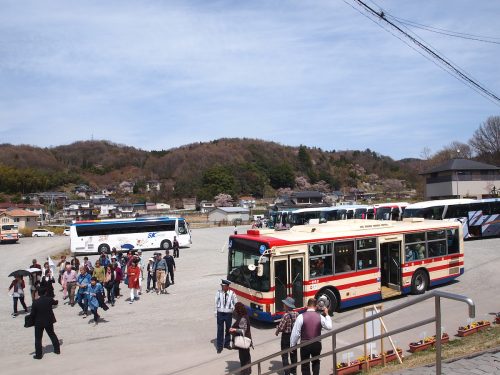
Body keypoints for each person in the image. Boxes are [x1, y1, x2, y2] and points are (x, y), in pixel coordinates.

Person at [290, 298, 332, 375]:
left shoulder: (301, 317)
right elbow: (329, 327)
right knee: (316, 362)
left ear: (307, 306)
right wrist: (327, 314)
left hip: (304, 344)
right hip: (317, 343)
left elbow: (295, 333)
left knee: (305, 365)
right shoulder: (320, 317)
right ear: (316, 306)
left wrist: (292, 345)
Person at [30, 286, 60, 359]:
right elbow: (55, 302)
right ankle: (57, 350)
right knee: (52, 335)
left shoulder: (35, 302)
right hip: (48, 321)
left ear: (38, 293)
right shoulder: (49, 299)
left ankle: (38, 355)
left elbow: (32, 314)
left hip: (38, 322)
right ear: (45, 292)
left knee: (38, 339)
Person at [275, 297, 298, 375]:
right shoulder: (297, 314)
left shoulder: (285, 315)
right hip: (294, 337)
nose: (283, 305)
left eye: (284, 304)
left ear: (287, 306)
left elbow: (281, 327)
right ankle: (294, 371)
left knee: (285, 355)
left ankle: (287, 373)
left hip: (286, 337)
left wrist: (277, 330)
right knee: (293, 354)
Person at [229, 302, 252, 375]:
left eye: (236, 309)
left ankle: (245, 372)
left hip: (243, 341)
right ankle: (247, 371)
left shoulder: (242, 319)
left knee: (243, 357)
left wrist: (234, 330)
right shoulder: (245, 316)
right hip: (246, 340)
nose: (235, 311)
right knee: (247, 356)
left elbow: (243, 331)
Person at [214, 279, 237, 353]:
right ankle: (219, 346)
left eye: (223, 286)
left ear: (227, 286)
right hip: (220, 313)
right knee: (220, 330)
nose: (222, 287)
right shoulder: (218, 293)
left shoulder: (232, 293)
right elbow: (215, 302)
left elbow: (236, 302)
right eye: (222, 286)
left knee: (228, 329)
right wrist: (215, 312)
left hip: (228, 314)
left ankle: (227, 344)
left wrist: (232, 309)